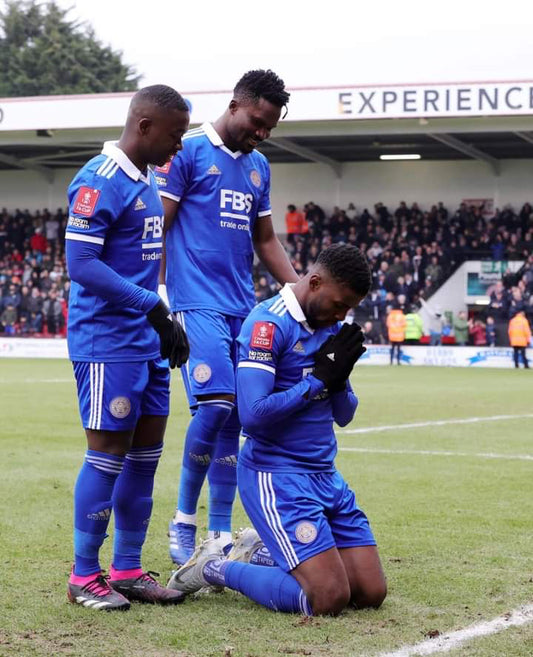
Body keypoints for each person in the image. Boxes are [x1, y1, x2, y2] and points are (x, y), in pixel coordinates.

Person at [167, 244, 387, 616]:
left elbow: (345, 415)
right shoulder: (267, 323)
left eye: (348, 309)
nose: (342, 315)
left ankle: (262, 551)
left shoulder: (331, 328)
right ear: (314, 283)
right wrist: (317, 381)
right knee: (328, 598)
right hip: (276, 476)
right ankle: (212, 567)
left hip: (324, 475)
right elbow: (252, 415)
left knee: (369, 592)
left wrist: (339, 377)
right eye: (338, 304)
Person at [157, 69, 299, 566]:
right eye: (258, 121)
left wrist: (298, 291)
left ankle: (219, 533)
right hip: (195, 302)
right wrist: (156, 295)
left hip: (243, 307)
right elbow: (161, 224)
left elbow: (265, 240)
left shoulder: (259, 166)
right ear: (237, 104)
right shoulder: (188, 151)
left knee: (238, 420)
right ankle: (183, 517)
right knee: (215, 407)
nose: (262, 132)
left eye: (270, 127)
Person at [65, 85, 191, 611]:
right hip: (106, 343)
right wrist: (152, 305)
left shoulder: (147, 182)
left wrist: (161, 315)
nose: (178, 146)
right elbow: (82, 265)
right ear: (144, 126)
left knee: (145, 458)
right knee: (107, 457)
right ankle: (83, 576)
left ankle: (128, 568)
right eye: (175, 134)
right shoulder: (99, 179)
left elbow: (139, 266)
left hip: (145, 342)